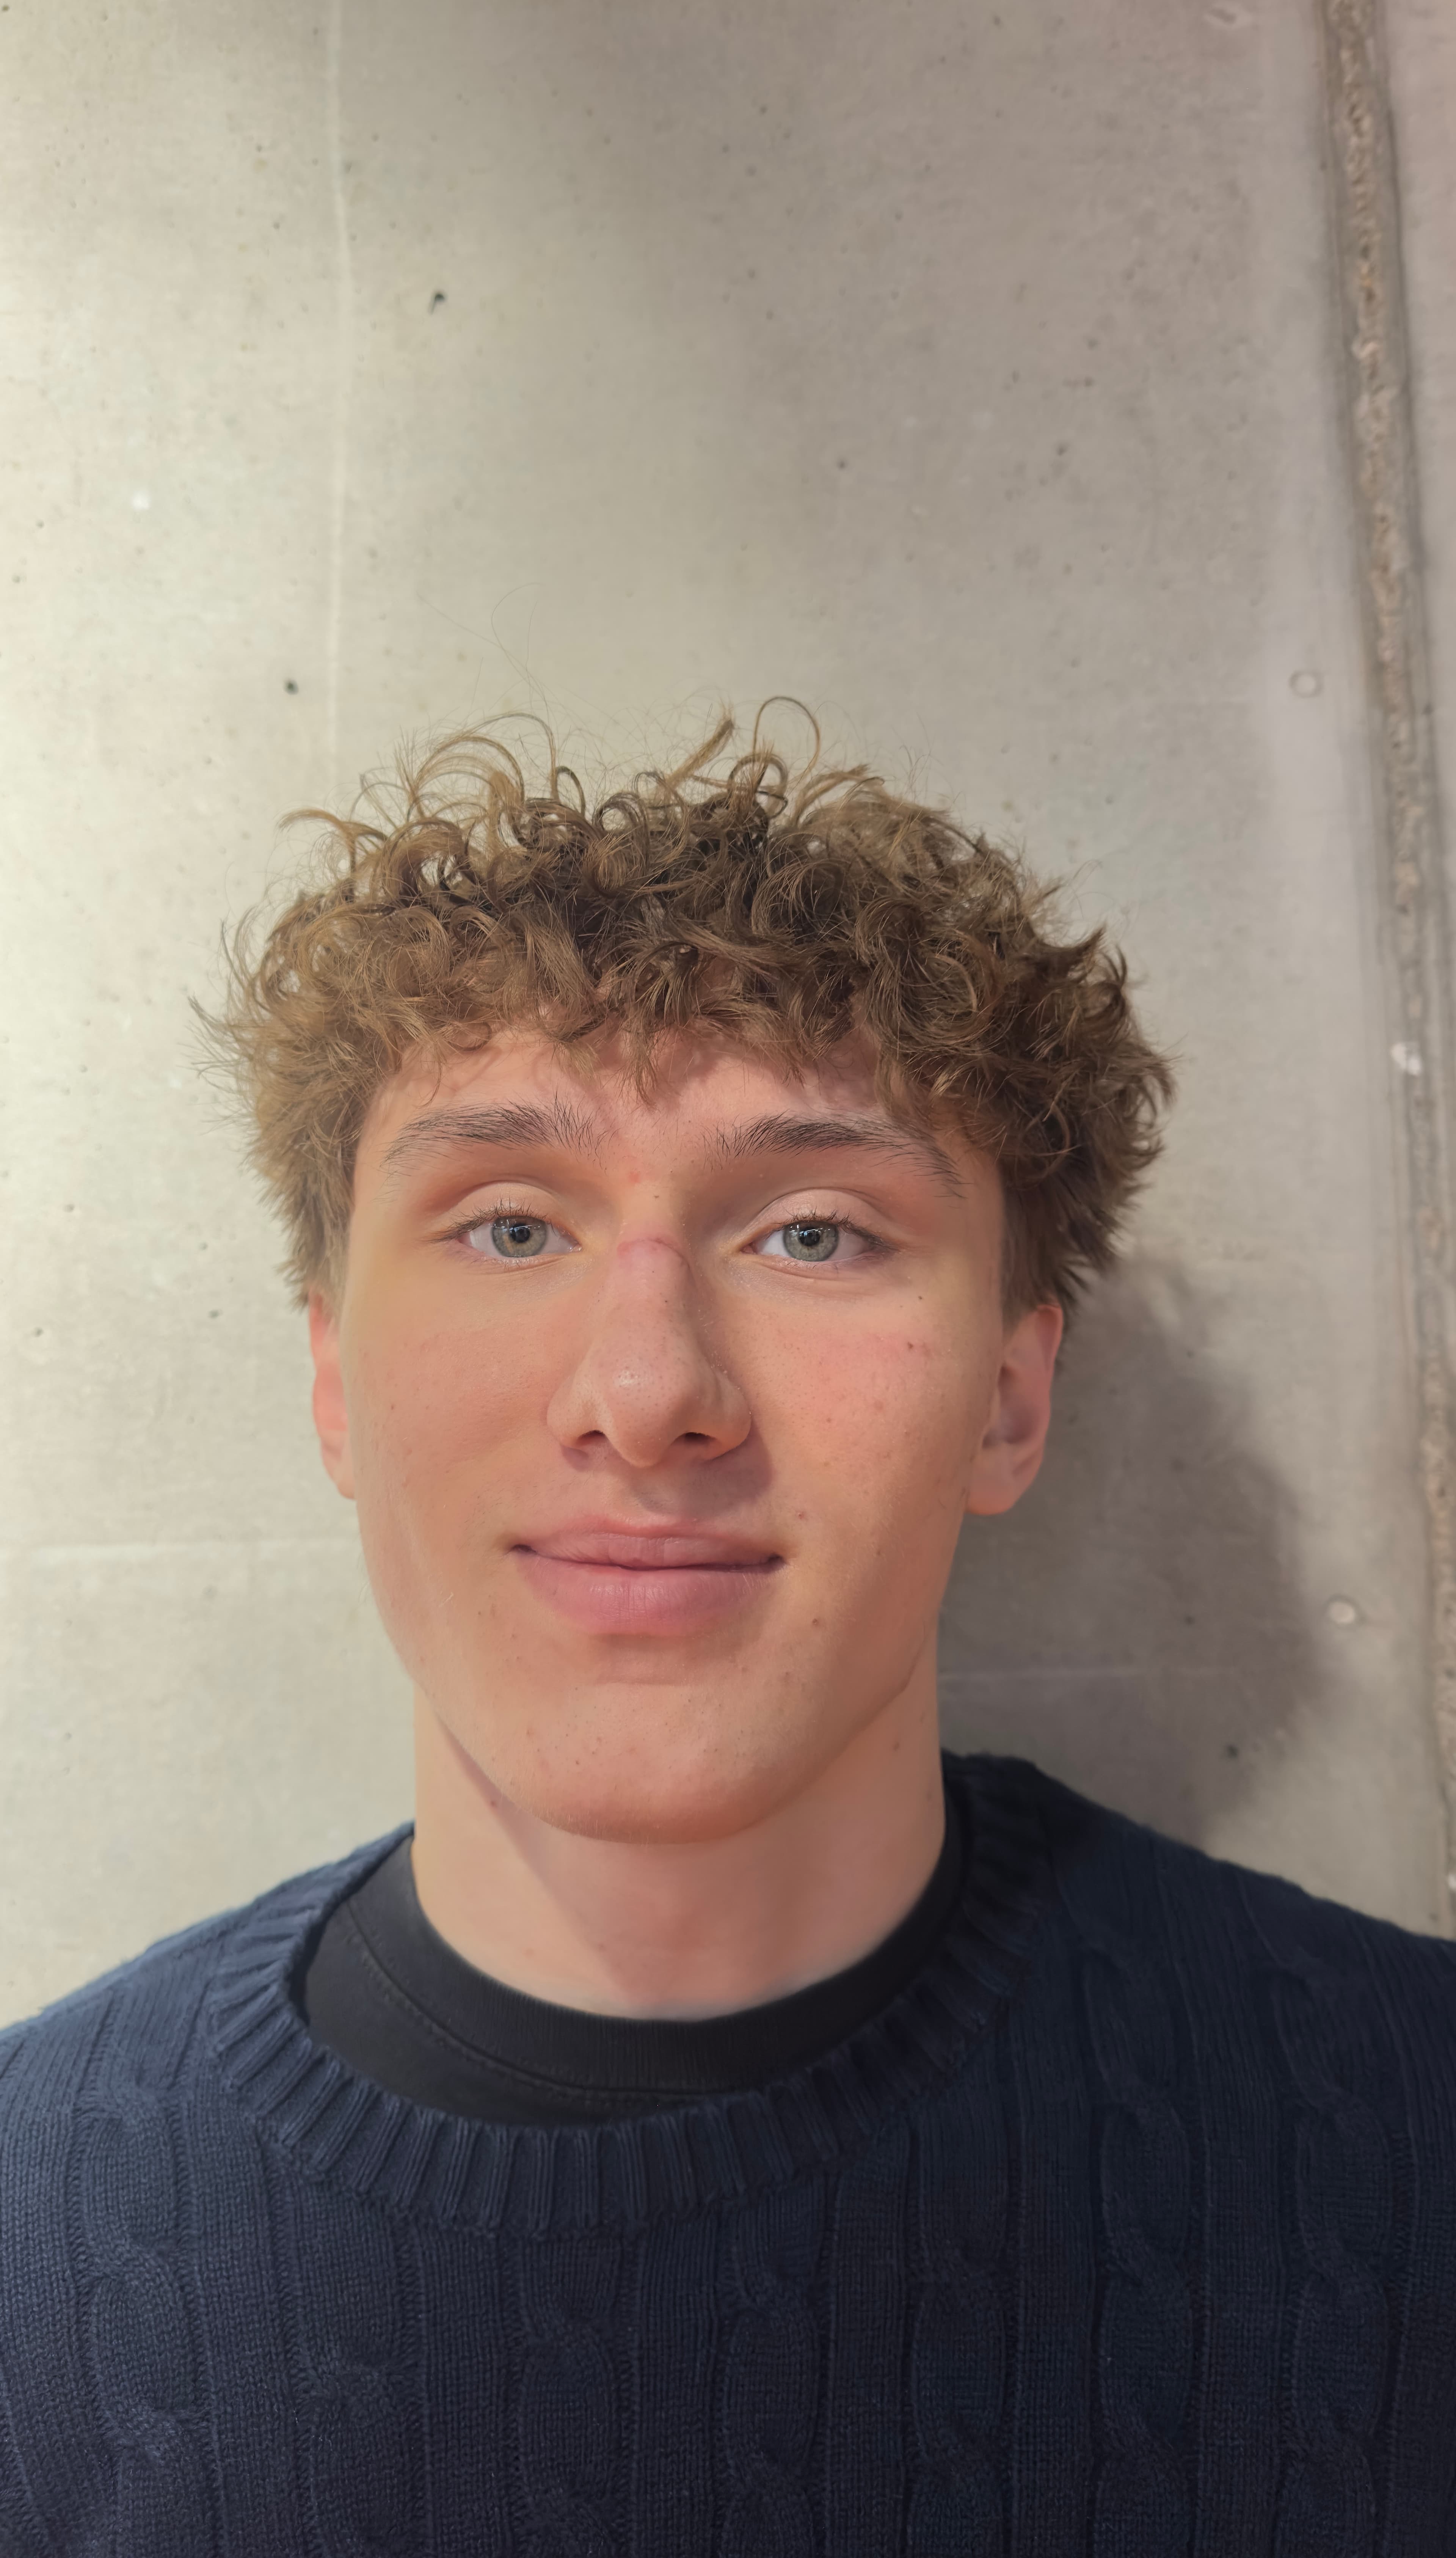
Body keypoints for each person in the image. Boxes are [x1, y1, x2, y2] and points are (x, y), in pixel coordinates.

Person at [2, 714, 1454, 2556]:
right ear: (332, 1382)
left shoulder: (1412, 2135)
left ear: (1013, 1399)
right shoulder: (30, 2243)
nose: (648, 1391)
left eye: (819, 1235)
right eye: (512, 1226)